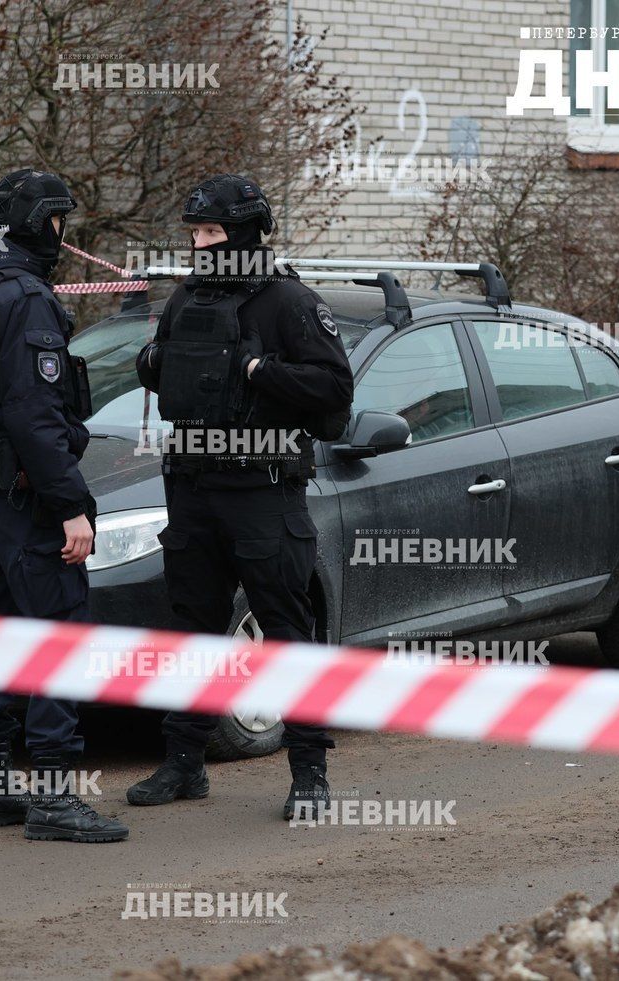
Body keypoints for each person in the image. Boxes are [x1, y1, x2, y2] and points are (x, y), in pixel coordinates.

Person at [129, 174, 353, 820]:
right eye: (195, 233)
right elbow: (159, 362)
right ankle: (183, 762)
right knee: (195, 630)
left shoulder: (288, 303)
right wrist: (153, 362)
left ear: (247, 233)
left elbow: (334, 387)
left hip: (263, 492)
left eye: (211, 233)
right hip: (195, 489)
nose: (200, 245)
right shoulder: (186, 299)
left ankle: (310, 771)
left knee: (285, 631)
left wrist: (261, 371)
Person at [0, 168, 127, 843]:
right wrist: (72, 504)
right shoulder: (25, 298)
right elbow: (35, 414)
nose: (63, 234)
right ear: (43, 223)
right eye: (59, 220)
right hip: (22, 488)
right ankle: (52, 795)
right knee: (57, 628)